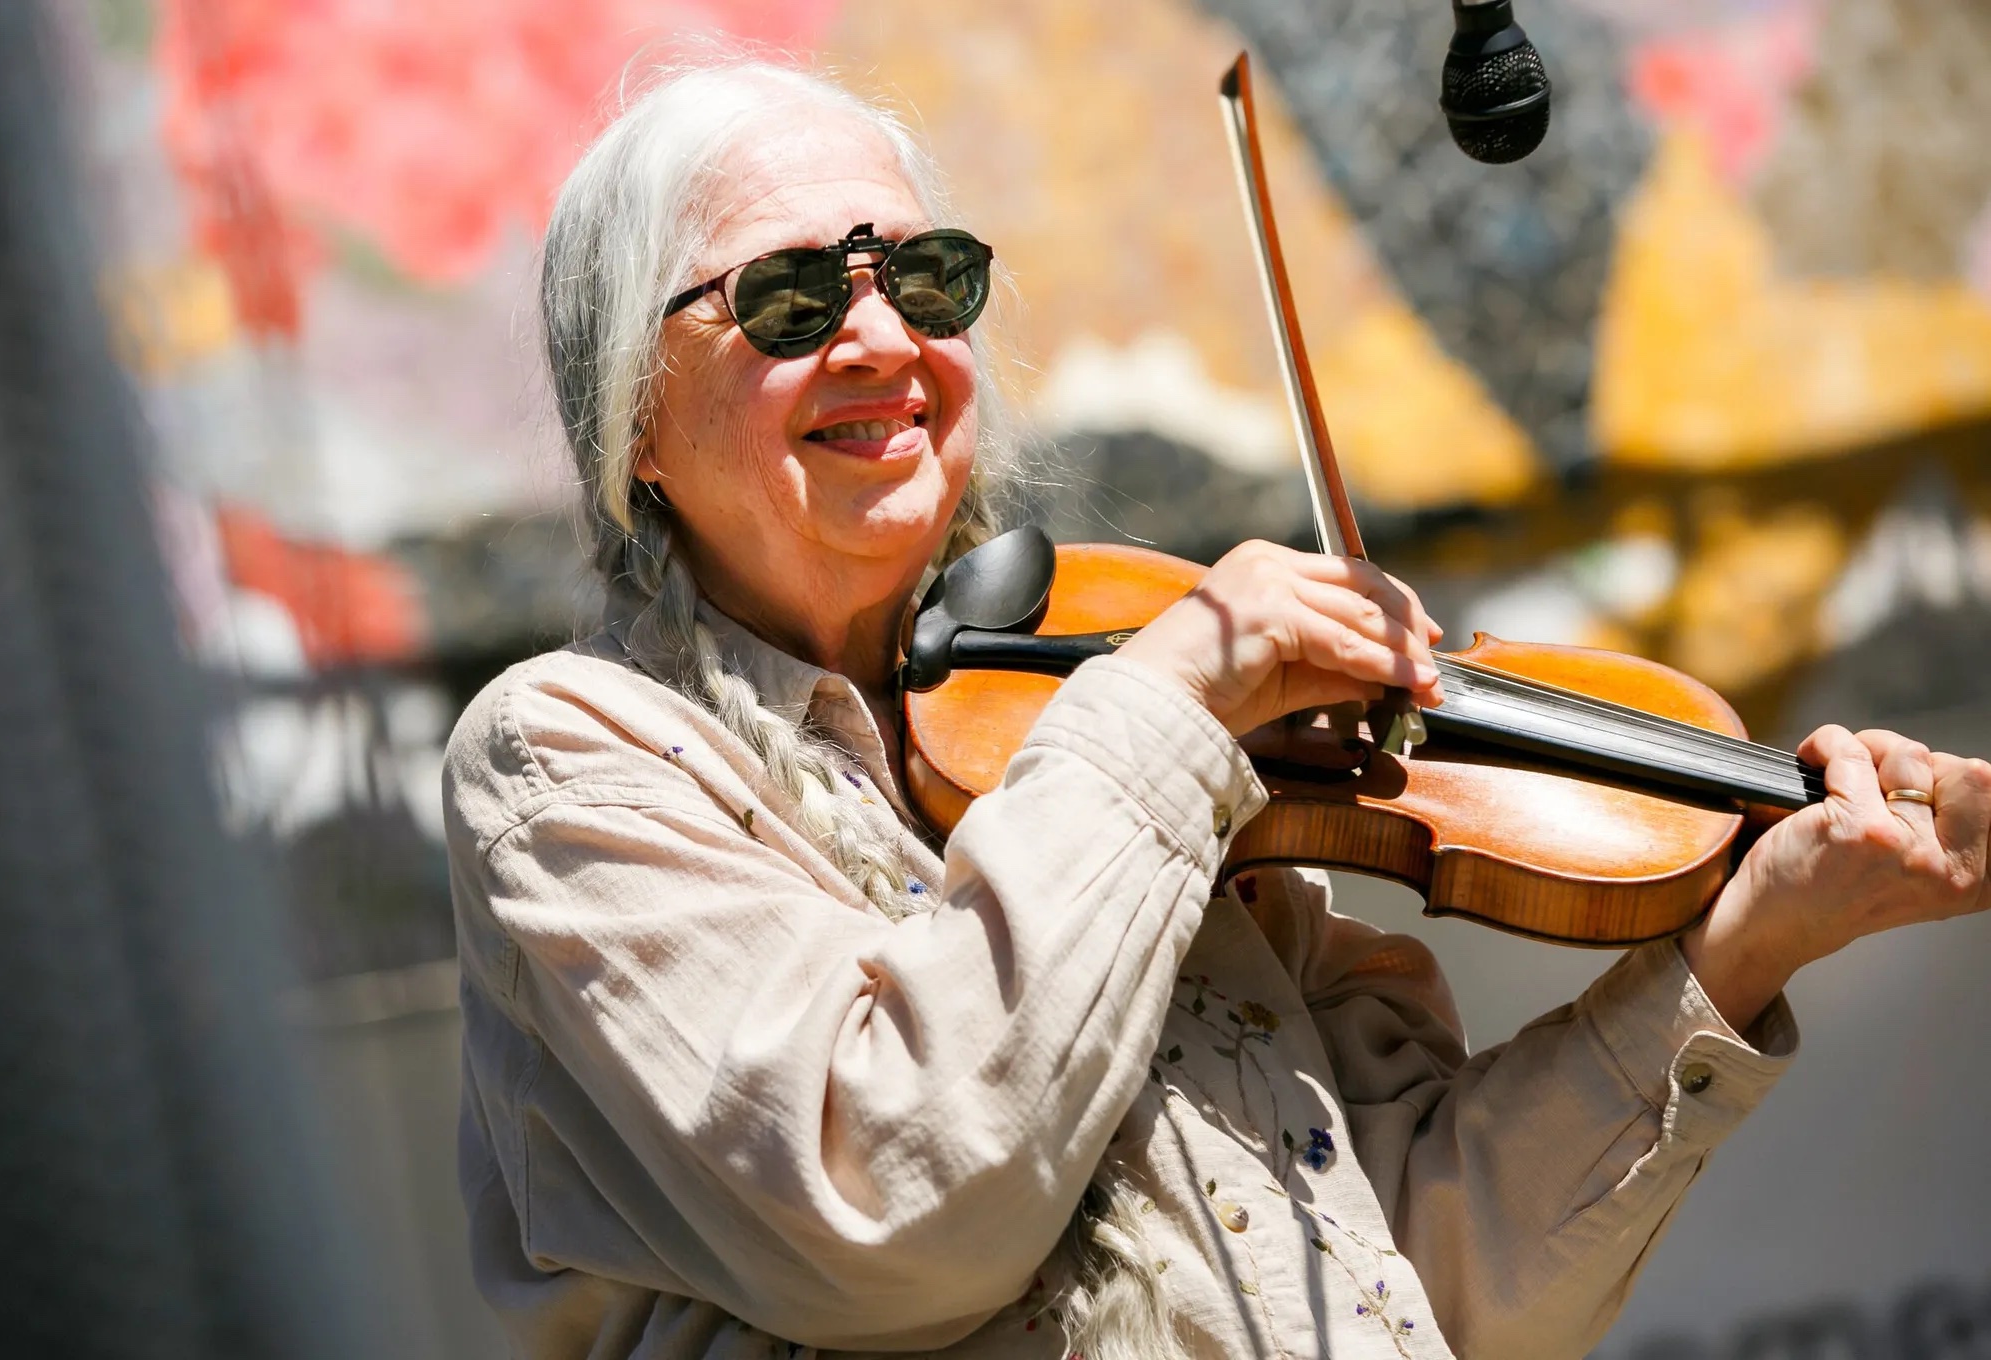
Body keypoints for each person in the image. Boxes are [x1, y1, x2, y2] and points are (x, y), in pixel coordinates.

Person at [442, 56, 1991, 1360]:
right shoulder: (577, 757)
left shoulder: (1127, 735)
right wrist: (1173, 694)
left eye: (924, 276)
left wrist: (1745, 946)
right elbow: (892, 1205)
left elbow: (1435, 1283)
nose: (880, 336)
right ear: (632, 419)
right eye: (786, 297)